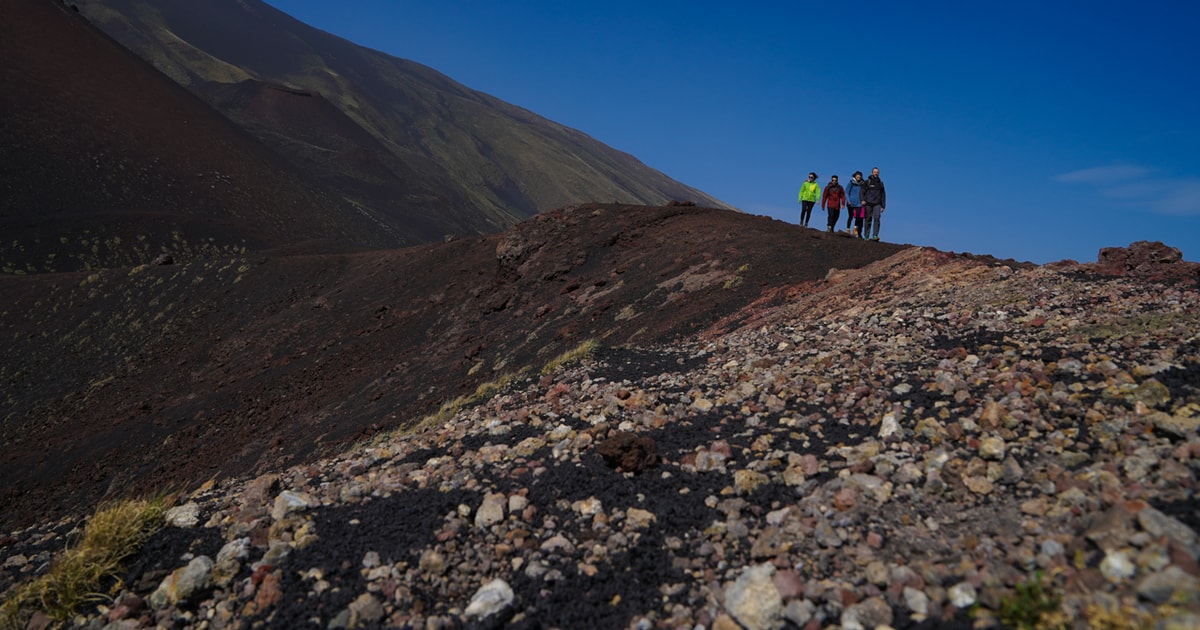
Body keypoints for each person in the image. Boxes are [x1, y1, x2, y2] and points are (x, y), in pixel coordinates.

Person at [862, 167, 886, 241]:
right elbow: (862, 192)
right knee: (868, 219)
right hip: (868, 203)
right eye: (875, 172)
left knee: (877, 218)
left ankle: (875, 235)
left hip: (877, 203)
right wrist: (862, 200)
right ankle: (866, 235)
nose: (876, 173)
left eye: (877, 172)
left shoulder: (880, 183)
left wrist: (883, 205)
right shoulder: (867, 182)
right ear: (872, 172)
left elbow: (883, 195)